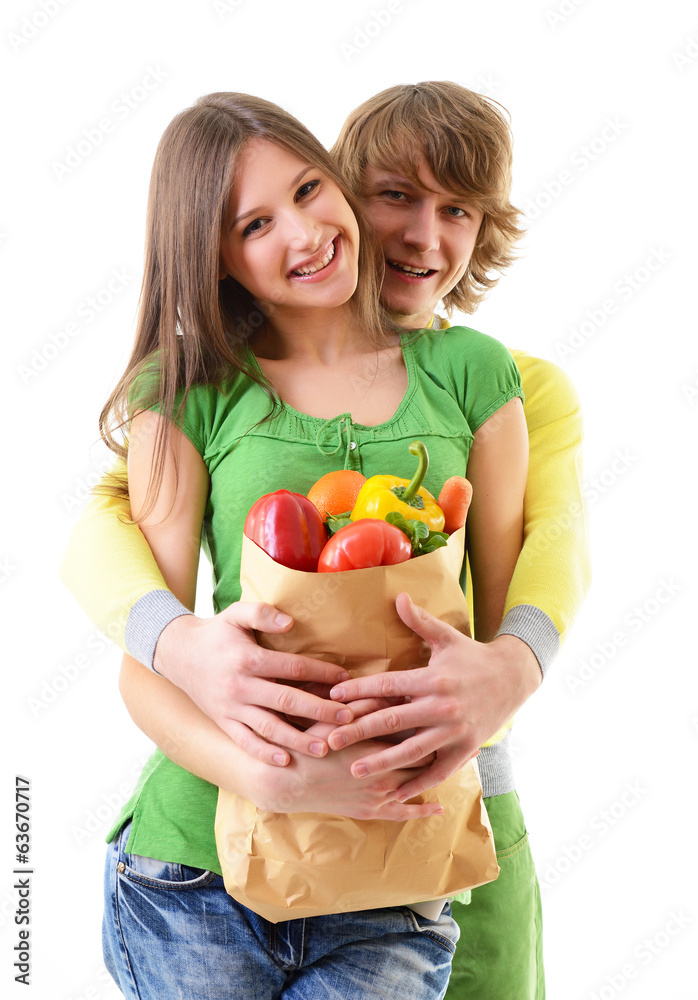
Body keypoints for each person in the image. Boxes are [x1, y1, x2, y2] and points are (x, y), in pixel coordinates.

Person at [62, 82, 590, 999]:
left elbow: (556, 547)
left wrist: (517, 662)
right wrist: (180, 645)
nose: (423, 236)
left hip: (412, 845)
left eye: (458, 210)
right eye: (396, 195)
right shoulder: (196, 393)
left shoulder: (494, 380)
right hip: (200, 859)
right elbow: (105, 539)